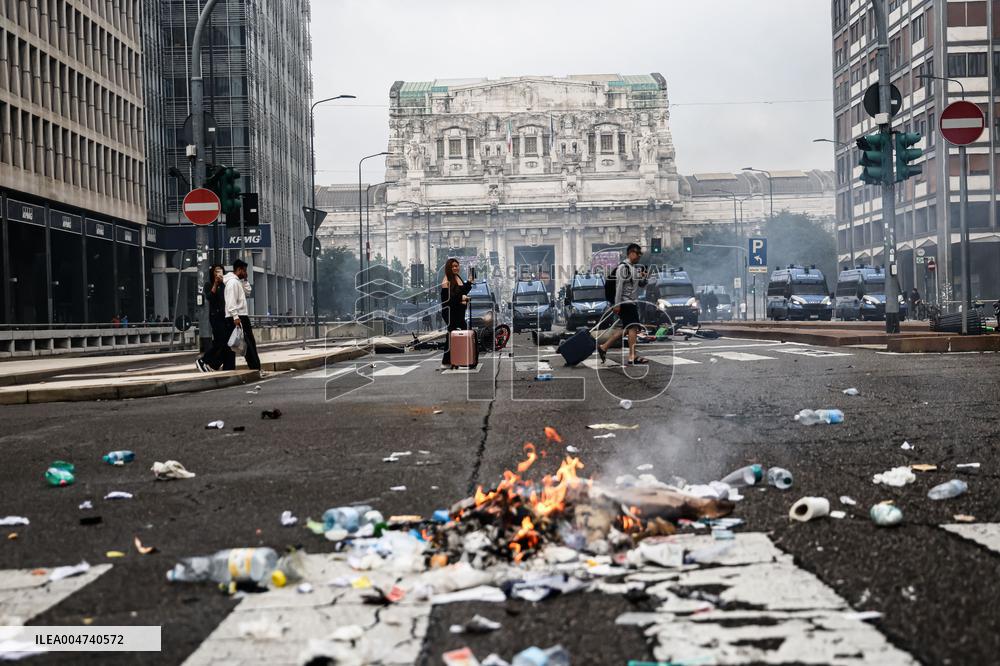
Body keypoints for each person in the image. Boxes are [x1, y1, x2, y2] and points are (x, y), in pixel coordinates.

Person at [598, 243, 648, 365]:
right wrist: (617, 304)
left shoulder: (633, 268)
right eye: (637, 253)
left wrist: (644, 277)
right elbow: (618, 287)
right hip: (625, 303)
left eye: (640, 254)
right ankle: (632, 356)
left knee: (627, 329)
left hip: (631, 302)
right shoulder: (623, 268)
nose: (639, 256)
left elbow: (641, 284)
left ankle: (604, 347)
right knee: (633, 328)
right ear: (630, 253)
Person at [222, 259, 261, 371]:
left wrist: (245, 280)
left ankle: (253, 367)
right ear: (239, 270)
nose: (246, 273)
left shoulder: (238, 282)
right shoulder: (232, 283)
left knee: (243, 343)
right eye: (244, 271)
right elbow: (231, 301)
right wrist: (235, 317)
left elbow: (248, 292)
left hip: (240, 316)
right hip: (237, 317)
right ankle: (255, 367)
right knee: (247, 343)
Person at [196, 264, 235, 372]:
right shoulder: (209, 284)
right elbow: (210, 297)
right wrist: (215, 284)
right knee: (220, 342)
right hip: (216, 317)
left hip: (227, 316)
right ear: (212, 273)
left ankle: (227, 367)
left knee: (229, 343)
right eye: (216, 271)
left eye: (220, 271)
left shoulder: (226, 284)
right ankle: (205, 360)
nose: (218, 273)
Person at [440, 257, 473, 368]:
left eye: (457, 266)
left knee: (461, 333)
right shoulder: (446, 281)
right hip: (450, 312)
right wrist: (462, 298)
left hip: (459, 311)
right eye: (453, 266)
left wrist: (469, 282)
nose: (455, 268)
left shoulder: (457, 277)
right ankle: (446, 361)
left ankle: (458, 359)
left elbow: (462, 292)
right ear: (448, 268)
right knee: (451, 335)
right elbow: (449, 300)